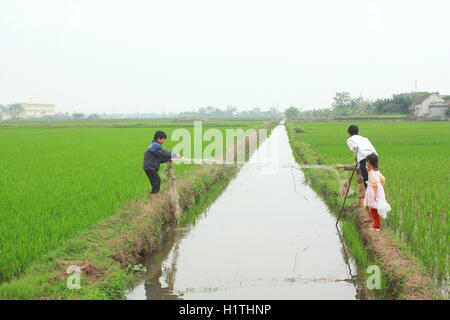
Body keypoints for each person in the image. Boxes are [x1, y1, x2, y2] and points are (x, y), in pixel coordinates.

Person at [143, 130, 180, 198]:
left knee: (154, 183)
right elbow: (165, 153)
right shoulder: (155, 146)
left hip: (148, 167)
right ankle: (154, 197)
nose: (163, 141)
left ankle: (154, 196)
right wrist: (175, 154)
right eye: (163, 139)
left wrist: (167, 159)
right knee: (157, 181)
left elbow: (159, 159)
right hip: (150, 167)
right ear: (159, 138)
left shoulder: (153, 145)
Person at [363, 153, 391, 230]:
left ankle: (377, 226)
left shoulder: (372, 173)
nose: (365, 167)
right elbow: (383, 179)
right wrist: (381, 187)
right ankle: (376, 224)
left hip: (372, 193)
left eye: (366, 165)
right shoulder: (377, 172)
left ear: (369, 165)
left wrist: (375, 195)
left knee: (373, 210)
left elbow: (374, 185)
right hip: (375, 191)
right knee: (373, 209)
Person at [346, 125, 377, 190]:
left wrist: (356, 158)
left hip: (365, 158)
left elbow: (355, 148)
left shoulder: (350, 139)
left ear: (349, 133)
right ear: (358, 132)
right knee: (375, 175)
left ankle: (369, 195)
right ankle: (376, 193)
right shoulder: (364, 138)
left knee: (366, 179)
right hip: (374, 156)